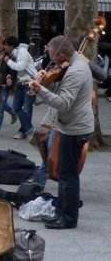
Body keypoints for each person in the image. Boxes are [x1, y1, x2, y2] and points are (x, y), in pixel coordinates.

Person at [28, 35, 93, 229]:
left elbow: (63, 104)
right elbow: (63, 88)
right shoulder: (77, 61)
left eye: (52, 56)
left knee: (67, 176)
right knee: (66, 174)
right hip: (73, 125)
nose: (52, 62)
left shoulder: (75, 71)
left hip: (74, 128)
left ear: (62, 54)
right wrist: (47, 82)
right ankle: (62, 211)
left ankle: (68, 218)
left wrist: (40, 89)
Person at [4, 36, 37, 139]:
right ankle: (28, 128)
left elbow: (20, 67)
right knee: (16, 107)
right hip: (20, 83)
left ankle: (25, 130)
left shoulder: (22, 53)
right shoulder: (15, 54)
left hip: (29, 83)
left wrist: (8, 61)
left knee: (27, 108)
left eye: (5, 45)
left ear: (11, 46)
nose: (4, 48)